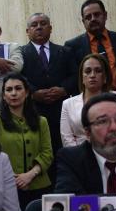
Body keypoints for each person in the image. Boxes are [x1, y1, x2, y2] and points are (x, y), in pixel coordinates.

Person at [20, 12, 77, 161]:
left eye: (43, 24)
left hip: (60, 111)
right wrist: (33, 93)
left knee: (60, 151)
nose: (39, 27)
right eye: (34, 25)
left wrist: (63, 89)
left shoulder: (65, 51)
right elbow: (18, 77)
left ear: (50, 28)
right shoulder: (20, 54)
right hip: (32, 111)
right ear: (27, 31)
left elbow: (75, 75)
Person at [0, 73, 54, 210]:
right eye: (9, 90)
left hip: (39, 186)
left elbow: (47, 153)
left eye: (18, 88)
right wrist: (12, 178)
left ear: (26, 93)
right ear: (3, 96)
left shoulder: (41, 121)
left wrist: (29, 175)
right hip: (6, 187)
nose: (13, 93)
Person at [64, 0, 116, 92]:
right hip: (89, 101)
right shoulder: (72, 46)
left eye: (97, 14)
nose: (93, 19)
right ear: (83, 21)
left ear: (105, 15)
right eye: (88, 17)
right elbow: (74, 77)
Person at [60, 53, 116, 147]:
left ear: (105, 77)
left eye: (98, 71)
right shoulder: (68, 104)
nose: (92, 75)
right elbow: (67, 138)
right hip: (79, 156)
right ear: (82, 78)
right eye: (88, 71)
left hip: (112, 151)